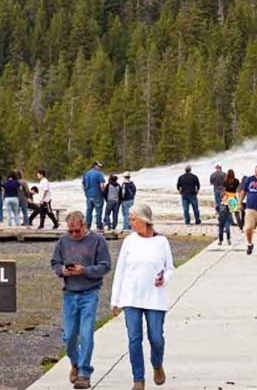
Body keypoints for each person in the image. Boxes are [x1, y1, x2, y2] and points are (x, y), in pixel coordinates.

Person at [111, 204, 173, 390]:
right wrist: (115, 300)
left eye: (133, 219)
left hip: (155, 297)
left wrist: (164, 279)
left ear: (144, 220)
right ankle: (138, 378)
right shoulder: (129, 241)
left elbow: (169, 268)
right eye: (130, 219)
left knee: (156, 338)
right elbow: (120, 271)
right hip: (131, 297)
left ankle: (157, 364)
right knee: (134, 338)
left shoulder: (161, 242)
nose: (130, 222)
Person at [50, 211, 112, 389]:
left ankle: (85, 373)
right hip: (69, 292)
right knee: (69, 336)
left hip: (90, 293)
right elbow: (54, 262)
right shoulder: (63, 241)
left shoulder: (98, 241)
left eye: (77, 231)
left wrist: (84, 270)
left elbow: (105, 266)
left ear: (84, 225)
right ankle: (75, 362)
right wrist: (63, 270)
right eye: (71, 231)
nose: (74, 234)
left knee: (86, 334)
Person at [82, 162, 106, 231]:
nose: (100, 167)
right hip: (97, 195)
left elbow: (83, 185)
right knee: (98, 211)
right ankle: (99, 226)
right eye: (99, 166)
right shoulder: (99, 174)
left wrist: (86, 192)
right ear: (95, 166)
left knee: (89, 211)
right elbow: (102, 185)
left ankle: (87, 226)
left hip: (88, 195)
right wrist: (103, 193)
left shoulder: (86, 174)